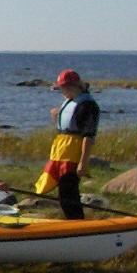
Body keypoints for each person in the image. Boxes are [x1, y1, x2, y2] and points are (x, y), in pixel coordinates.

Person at [34, 69, 99, 220]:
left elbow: (88, 136)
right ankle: (74, 223)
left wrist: (83, 162)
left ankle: (77, 224)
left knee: (68, 192)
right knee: (63, 193)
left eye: (64, 88)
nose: (62, 91)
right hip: (61, 151)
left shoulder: (88, 105)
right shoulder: (70, 101)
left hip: (73, 154)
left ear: (74, 86)